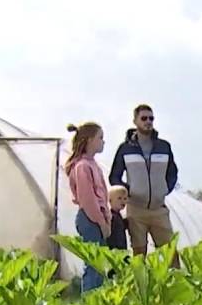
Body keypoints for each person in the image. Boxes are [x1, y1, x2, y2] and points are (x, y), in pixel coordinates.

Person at [109, 104, 179, 259]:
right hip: (136, 210)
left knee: (171, 255)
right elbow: (114, 176)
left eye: (151, 118)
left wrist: (164, 189)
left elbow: (172, 173)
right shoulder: (125, 148)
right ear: (135, 121)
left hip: (159, 209)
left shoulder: (164, 146)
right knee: (139, 257)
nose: (148, 121)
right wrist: (129, 191)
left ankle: (175, 282)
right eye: (144, 118)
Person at [65, 122, 110, 293]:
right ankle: (90, 302)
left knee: (99, 265)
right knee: (93, 265)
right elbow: (88, 200)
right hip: (90, 219)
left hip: (96, 219)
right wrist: (101, 222)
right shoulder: (82, 166)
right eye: (100, 138)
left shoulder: (92, 165)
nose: (103, 142)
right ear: (90, 140)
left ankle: (96, 299)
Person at [107, 185, 129, 251]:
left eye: (125, 198)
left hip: (122, 248)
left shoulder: (119, 216)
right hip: (115, 250)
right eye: (119, 198)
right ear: (110, 200)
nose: (123, 201)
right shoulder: (110, 216)